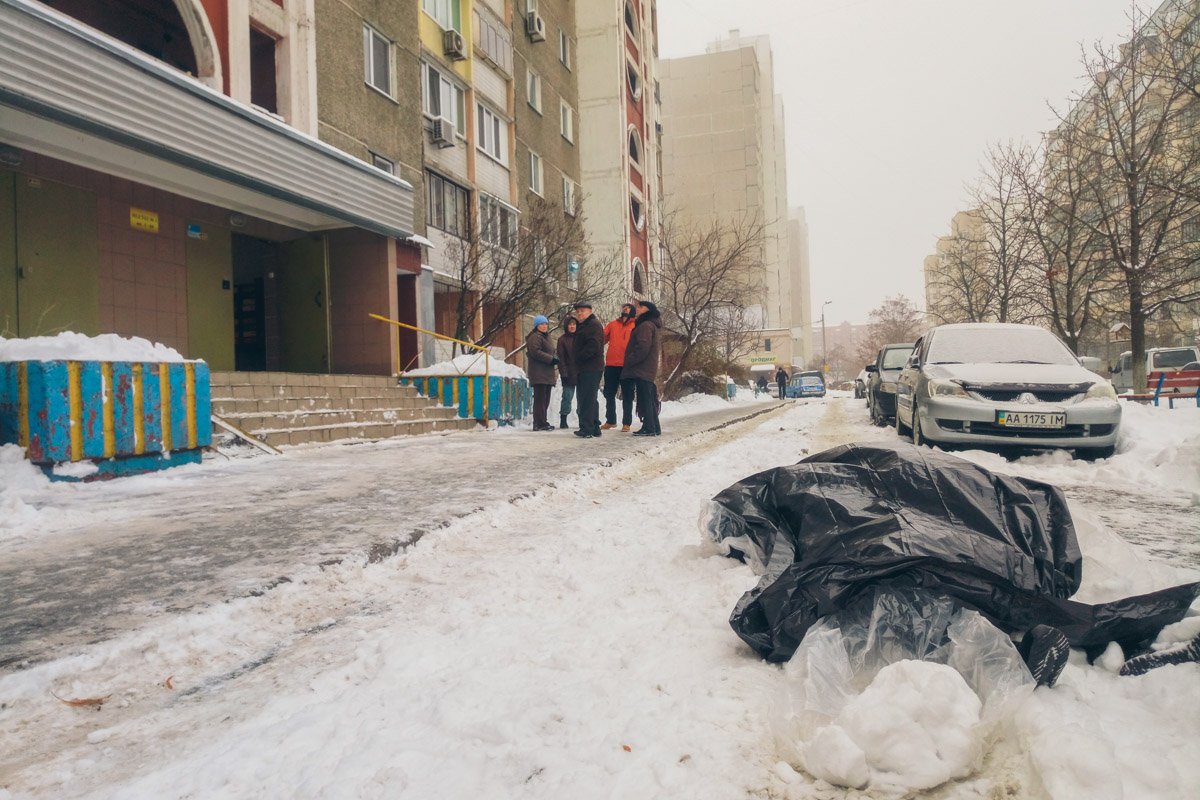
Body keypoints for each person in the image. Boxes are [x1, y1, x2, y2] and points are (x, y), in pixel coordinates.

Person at [621, 300, 662, 437]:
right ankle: (654, 426)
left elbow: (642, 347)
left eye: (640, 306)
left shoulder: (645, 325)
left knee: (645, 398)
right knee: (648, 398)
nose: (637, 308)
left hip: (642, 368)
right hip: (646, 368)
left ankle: (649, 427)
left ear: (647, 309)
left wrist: (630, 360)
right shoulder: (650, 324)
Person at [572, 301, 605, 438]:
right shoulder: (585, 325)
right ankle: (594, 427)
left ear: (590, 311)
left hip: (590, 366)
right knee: (590, 398)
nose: (579, 313)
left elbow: (593, 345)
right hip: (587, 366)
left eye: (582, 310)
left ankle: (587, 428)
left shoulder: (593, 325)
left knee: (586, 398)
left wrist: (579, 357)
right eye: (578, 311)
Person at [602, 303, 637, 431]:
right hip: (611, 364)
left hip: (628, 365)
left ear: (632, 311)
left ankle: (627, 423)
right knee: (609, 393)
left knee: (627, 395)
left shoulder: (636, 326)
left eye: (627, 308)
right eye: (624, 308)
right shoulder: (613, 324)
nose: (625, 310)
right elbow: (601, 338)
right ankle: (610, 420)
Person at [525, 315, 558, 432]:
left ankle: (543, 422)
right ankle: (538, 423)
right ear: (536, 326)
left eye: (545, 324)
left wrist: (555, 357)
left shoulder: (546, 336)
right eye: (541, 324)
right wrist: (551, 359)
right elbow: (535, 352)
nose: (544, 326)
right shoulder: (535, 337)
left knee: (545, 399)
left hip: (546, 373)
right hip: (539, 373)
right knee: (540, 399)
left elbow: (550, 351)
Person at [556, 316, 578, 429]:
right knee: (567, 397)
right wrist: (563, 373)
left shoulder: (581, 337)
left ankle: (583, 419)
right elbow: (561, 358)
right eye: (570, 324)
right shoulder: (562, 340)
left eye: (574, 324)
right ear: (566, 326)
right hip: (568, 373)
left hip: (581, 373)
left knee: (582, 398)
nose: (572, 326)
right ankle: (563, 419)